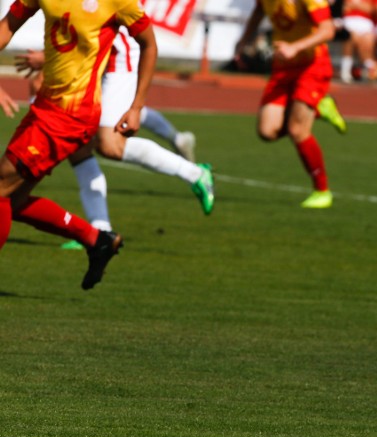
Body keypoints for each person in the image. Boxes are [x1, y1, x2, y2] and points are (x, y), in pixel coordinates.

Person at [0, 0, 156, 290]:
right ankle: (98, 241)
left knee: (0, 187)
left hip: (71, 116)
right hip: (45, 109)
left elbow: (148, 44)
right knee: (15, 200)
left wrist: (137, 106)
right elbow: (7, 27)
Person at [14, 36, 216, 250]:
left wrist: (47, 57)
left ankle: (194, 173)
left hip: (117, 57)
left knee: (110, 145)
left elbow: (95, 28)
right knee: (77, 146)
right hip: (93, 54)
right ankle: (100, 231)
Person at [234, 0, 337, 209]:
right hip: (283, 67)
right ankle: (318, 108)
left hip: (312, 65)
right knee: (267, 131)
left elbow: (328, 30)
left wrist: (295, 46)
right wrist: (243, 41)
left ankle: (322, 191)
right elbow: (257, 14)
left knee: (297, 129)